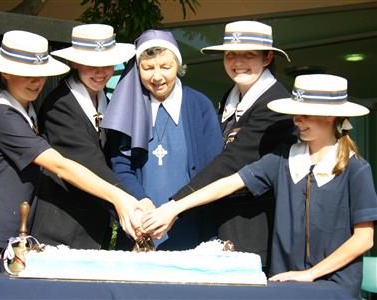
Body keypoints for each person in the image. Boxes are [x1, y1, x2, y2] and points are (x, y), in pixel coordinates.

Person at [143, 74, 376, 298]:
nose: (297, 121)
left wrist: (310, 274)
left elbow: (364, 239)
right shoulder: (283, 159)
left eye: (305, 114)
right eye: (296, 114)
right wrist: (174, 208)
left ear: (330, 117)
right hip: (284, 284)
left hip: (335, 289)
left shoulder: (355, 169)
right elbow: (227, 184)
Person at [0, 30, 142, 276]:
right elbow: (60, 165)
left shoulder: (27, 111)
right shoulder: (3, 116)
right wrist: (119, 197)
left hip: (6, 239)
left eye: (40, 75)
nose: (36, 82)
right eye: (27, 74)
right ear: (5, 73)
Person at [169, 21, 296, 265]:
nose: (238, 62)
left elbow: (232, 161)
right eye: (231, 55)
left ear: (267, 57)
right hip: (220, 221)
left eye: (248, 55)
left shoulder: (277, 104)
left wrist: (175, 204)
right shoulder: (231, 96)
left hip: (253, 227)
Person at [102, 30, 223, 250]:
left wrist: (177, 208)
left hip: (191, 224)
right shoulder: (126, 108)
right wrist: (142, 201)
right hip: (140, 224)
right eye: (148, 68)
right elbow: (120, 165)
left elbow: (213, 168)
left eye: (165, 67)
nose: (157, 77)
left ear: (178, 65)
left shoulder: (200, 105)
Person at [30, 24, 137, 250]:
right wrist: (134, 209)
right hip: (60, 232)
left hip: (95, 230)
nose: (100, 72)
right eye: (91, 65)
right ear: (75, 63)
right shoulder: (59, 107)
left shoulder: (107, 102)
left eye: (106, 65)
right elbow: (91, 164)